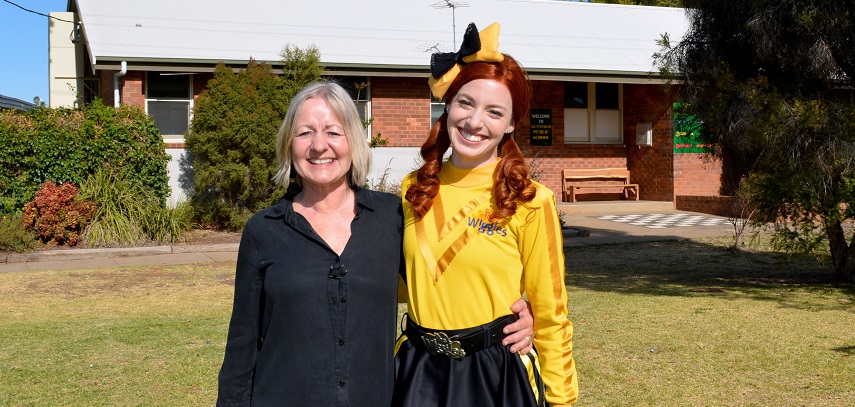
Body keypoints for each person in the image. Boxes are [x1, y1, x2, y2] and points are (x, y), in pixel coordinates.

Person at [216, 81, 535, 406]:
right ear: (289, 145)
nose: (318, 145)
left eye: (333, 132)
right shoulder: (263, 232)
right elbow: (242, 347)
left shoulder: (391, 217)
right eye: (304, 133)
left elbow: (442, 278)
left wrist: (515, 316)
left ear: (354, 142)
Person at [393, 22, 578, 407]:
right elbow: (400, 285)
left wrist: (562, 401)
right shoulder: (413, 188)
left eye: (495, 112)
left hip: (495, 375)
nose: (475, 122)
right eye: (466, 102)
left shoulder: (530, 200)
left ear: (511, 124)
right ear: (448, 105)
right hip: (415, 372)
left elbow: (551, 315)